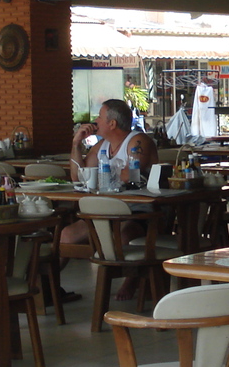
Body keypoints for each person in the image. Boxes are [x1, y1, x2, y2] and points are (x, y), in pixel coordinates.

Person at [63, 98, 159, 299]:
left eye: (99, 117)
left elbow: (129, 175)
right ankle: (50, 288)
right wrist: (76, 143)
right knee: (66, 236)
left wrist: (99, 176)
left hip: (137, 212)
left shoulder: (138, 141)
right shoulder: (102, 146)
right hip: (105, 211)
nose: (95, 121)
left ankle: (133, 278)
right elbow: (78, 177)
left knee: (122, 236)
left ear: (112, 123)